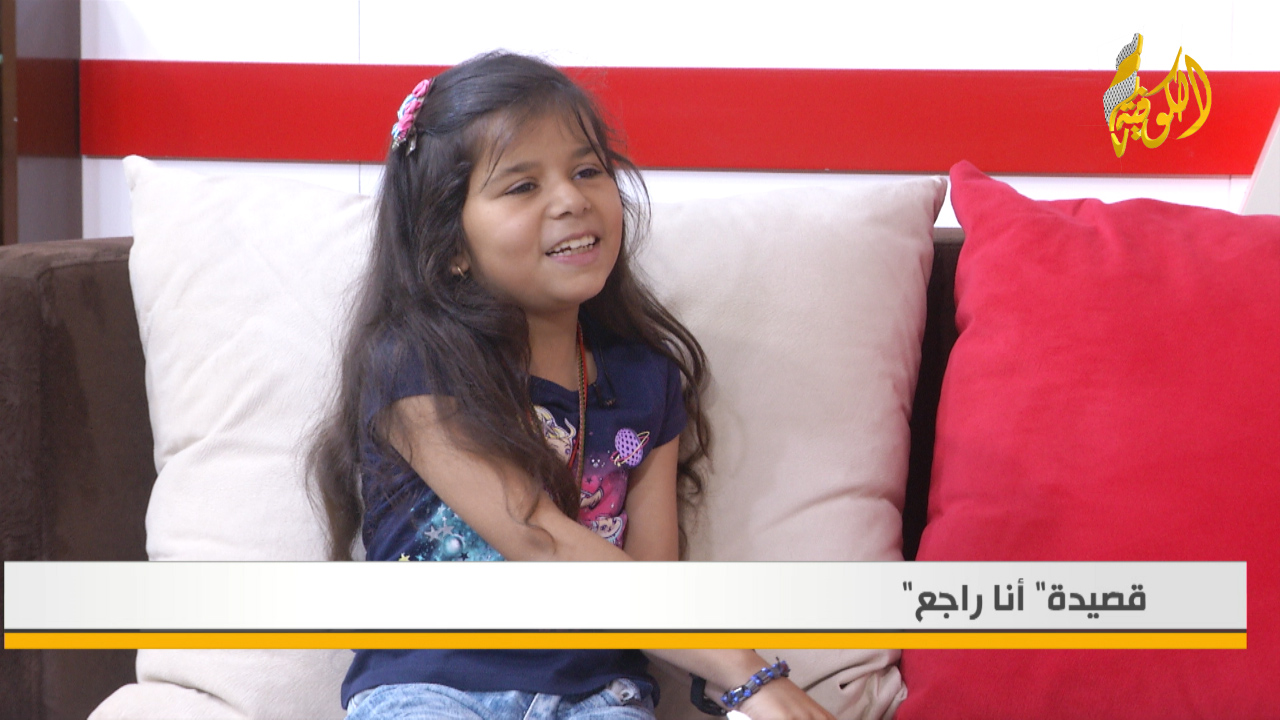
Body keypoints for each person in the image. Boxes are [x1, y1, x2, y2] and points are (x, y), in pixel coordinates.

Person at [310, 51, 836, 720]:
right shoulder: (415, 363)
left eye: (588, 170)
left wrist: (732, 688)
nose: (571, 199)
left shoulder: (647, 381)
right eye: (522, 186)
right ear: (452, 244)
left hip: (598, 695)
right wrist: (753, 676)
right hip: (431, 687)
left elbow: (651, 585)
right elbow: (537, 534)